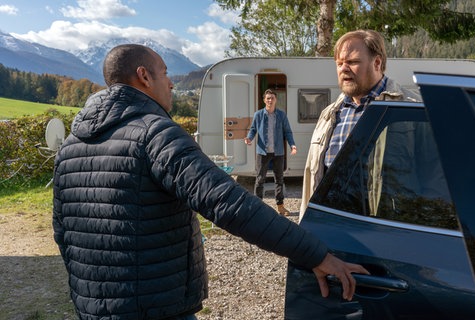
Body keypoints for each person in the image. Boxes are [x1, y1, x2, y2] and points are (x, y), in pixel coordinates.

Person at [52, 44, 368, 319]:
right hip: (155, 307)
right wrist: (315, 254)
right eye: (164, 73)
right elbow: (229, 204)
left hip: (90, 306)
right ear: (144, 77)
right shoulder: (155, 134)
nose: (172, 83)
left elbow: (62, 231)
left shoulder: (70, 146)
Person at [300, 29, 421, 219]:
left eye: (353, 62)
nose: (343, 68)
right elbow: (313, 178)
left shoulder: (411, 108)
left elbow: (433, 180)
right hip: (329, 228)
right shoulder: (329, 115)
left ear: (377, 63)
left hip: (384, 232)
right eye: (339, 63)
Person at [245, 89, 297, 215]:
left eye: (272, 98)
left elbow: (288, 132)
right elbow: (253, 129)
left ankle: (280, 206)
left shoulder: (281, 115)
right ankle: (258, 207)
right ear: (264, 100)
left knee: (279, 179)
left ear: (275, 100)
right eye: (268, 98)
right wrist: (249, 138)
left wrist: (292, 145)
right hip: (262, 152)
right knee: (260, 179)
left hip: (278, 152)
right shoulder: (258, 115)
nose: (270, 100)